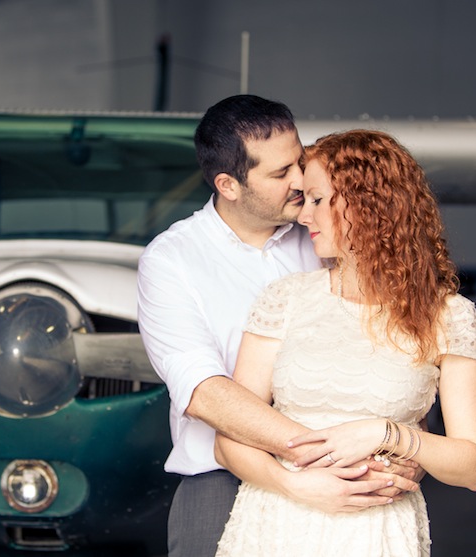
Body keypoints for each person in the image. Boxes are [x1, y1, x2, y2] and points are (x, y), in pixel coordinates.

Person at [137, 96, 421, 557]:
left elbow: (397, 350)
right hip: (222, 480)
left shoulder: (330, 231)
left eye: (299, 161)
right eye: (278, 174)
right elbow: (204, 392)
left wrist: (398, 452)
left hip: (357, 472)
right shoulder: (172, 261)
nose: (299, 181)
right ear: (228, 185)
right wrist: (318, 458)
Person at [214, 129, 476, 557]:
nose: (304, 216)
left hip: (376, 531)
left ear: (369, 203)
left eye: (318, 200)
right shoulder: (285, 299)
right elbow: (229, 439)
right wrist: (296, 485)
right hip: (275, 521)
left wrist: (386, 433)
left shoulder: (449, 316)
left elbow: (473, 467)